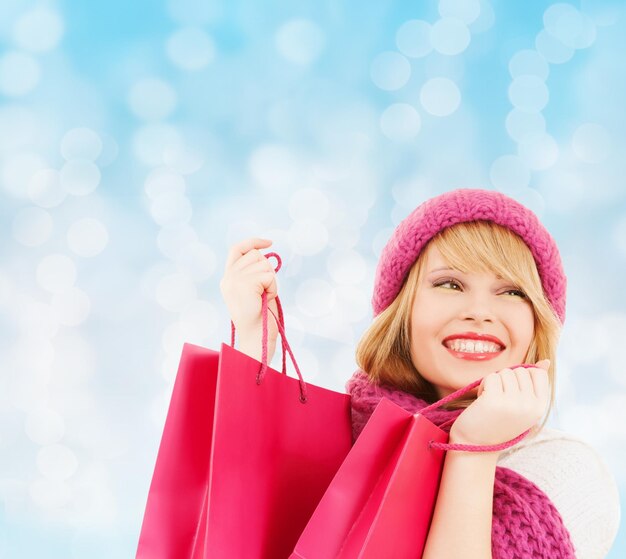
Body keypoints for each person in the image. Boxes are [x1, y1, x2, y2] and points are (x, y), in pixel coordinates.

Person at [220, 188, 620, 559]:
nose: (480, 312)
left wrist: (472, 448)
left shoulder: (566, 470)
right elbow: (232, 525)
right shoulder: (338, 438)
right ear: (403, 311)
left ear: (537, 323)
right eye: (450, 284)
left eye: (512, 291)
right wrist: (253, 351)